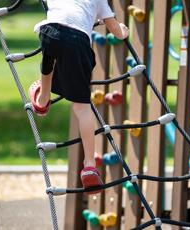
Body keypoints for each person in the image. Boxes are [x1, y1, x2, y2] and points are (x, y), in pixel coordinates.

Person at [29, 0, 129, 194]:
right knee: (82, 107)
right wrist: (123, 30)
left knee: (49, 56)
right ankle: (89, 164)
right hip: (78, 42)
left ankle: (43, 99)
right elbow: (116, 31)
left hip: (49, 32)